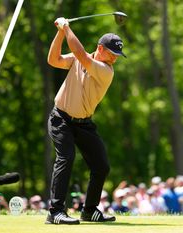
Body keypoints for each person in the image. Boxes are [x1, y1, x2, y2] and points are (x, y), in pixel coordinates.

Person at [45, 17, 125, 225]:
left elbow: (81, 55)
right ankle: (55, 212)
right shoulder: (80, 59)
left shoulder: (106, 70)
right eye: (112, 53)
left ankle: (89, 210)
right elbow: (53, 60)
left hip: (84, 124)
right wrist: (61, 33)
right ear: (100, 48)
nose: (114, 59)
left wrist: (66, 27)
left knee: (101, 165)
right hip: (61, 118)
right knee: (66, 158)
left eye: (117, 56)